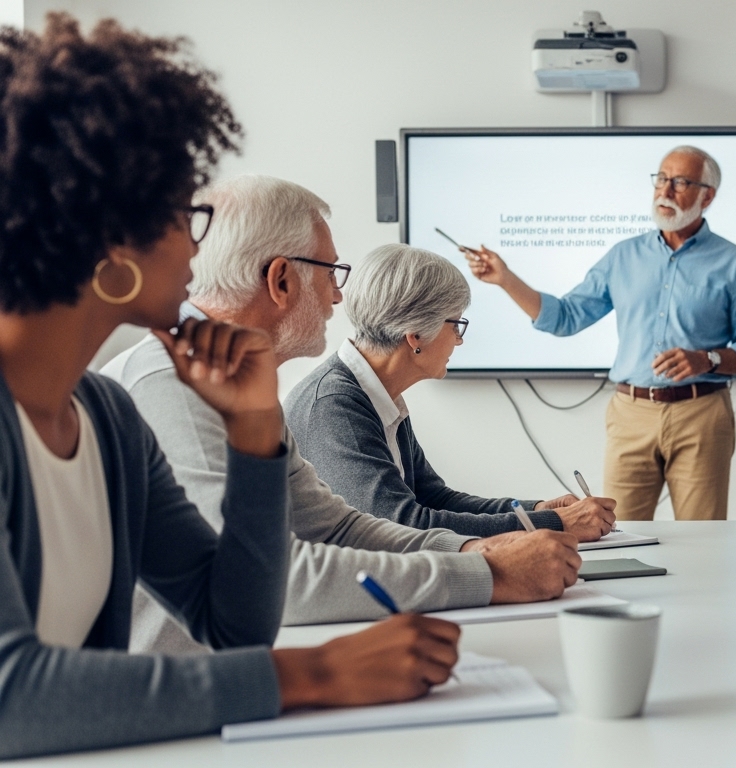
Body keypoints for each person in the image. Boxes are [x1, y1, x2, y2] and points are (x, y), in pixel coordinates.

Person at [0, 15, 461, 758]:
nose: (198, 241)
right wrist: (312, 675)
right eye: (186, 215)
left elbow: (235, 625)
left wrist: (255, 433)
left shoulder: (107, 419)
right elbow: (12, 698)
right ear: (107, 234)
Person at [102, 175, 582, 650]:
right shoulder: (173, 385)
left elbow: (337, 528)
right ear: (281, 280)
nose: (338, 296)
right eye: (332, 273)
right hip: (188, 701)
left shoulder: (237, 379)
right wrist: (487, 573)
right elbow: (274, 581)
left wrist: (473, 549)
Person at [464, 146, 736, 520]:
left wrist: (706, 358)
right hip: (631, 413)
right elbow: (566, 317)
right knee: (616, 532)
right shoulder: (623, 256)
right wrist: (505, 279)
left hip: (702, 413)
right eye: (661, 178)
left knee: (702, 535)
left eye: (681, 182)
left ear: (707, 195)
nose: (666, 190)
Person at [286, 244, 617, 540]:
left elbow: (434, 498)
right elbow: (403, 526)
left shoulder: (376, 392)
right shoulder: (336, 405)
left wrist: (538, 508)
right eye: (455, 324)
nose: (459, 340)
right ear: (415, 335)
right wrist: (553, 522)